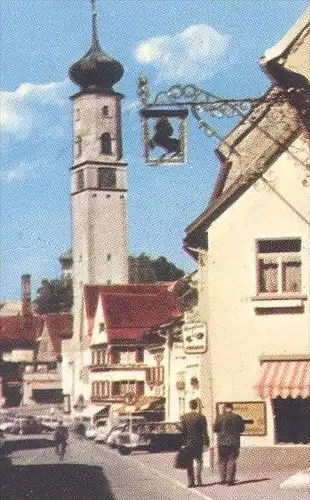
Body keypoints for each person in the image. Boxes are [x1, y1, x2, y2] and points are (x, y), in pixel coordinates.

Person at [213, 403, 245, 486]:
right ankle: (230, 480)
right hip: (234, 442)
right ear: (232, 408)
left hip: (222, 442)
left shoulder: (220, 417)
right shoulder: (237, 417)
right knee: (232, 460)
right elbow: (242, 429)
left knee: (222, 460)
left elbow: (215, 429)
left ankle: (223, 479)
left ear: (225, 408)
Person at [180, 399, 210, 488]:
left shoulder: (184, 417)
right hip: (198, 442)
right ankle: (199, 478)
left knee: (189, 462)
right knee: (199, 461)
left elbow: (183, 432)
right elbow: (205, 431)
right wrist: (207, 442)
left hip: (188, 443)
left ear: (189, 406)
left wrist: (182, 443)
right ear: (196, 406)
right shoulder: (202, 417)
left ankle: (191, 482)